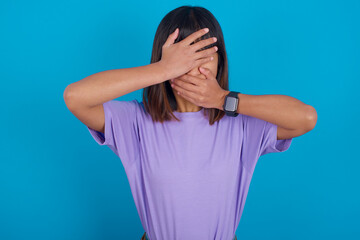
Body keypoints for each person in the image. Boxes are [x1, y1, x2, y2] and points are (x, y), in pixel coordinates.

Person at [63, 5, 317, 240]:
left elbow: (305, 118)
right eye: (184, 59)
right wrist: (162, 70)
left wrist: (224, 99)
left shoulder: (241, 126)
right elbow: (75, 98)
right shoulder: (135, 122)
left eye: (203, 56)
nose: (193, 69)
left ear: (220, 63)